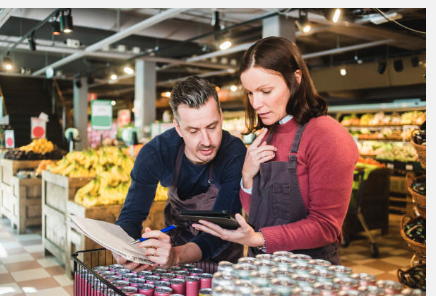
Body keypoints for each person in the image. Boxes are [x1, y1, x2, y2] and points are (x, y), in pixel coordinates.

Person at [193, 37, 359, 264]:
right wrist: (247, 177)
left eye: (265, 91)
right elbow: (260, 213)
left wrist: (259, 238)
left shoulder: (327, 136)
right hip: (262, 268)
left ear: (296, 79)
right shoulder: (266, 135)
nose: (255, 103)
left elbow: (326, 226)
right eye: (250, 93)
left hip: (308, 272)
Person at [114, 76, 246, 272]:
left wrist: (176, 255)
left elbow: (219, 231)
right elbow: (131, 216)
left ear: (221, 115)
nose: (206, 141)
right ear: (178, 128)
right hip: (175, 264)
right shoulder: (155, 154)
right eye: (193, 131)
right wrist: (122, 248)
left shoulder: (233, 154)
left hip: (223, 264)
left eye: (212, 126)